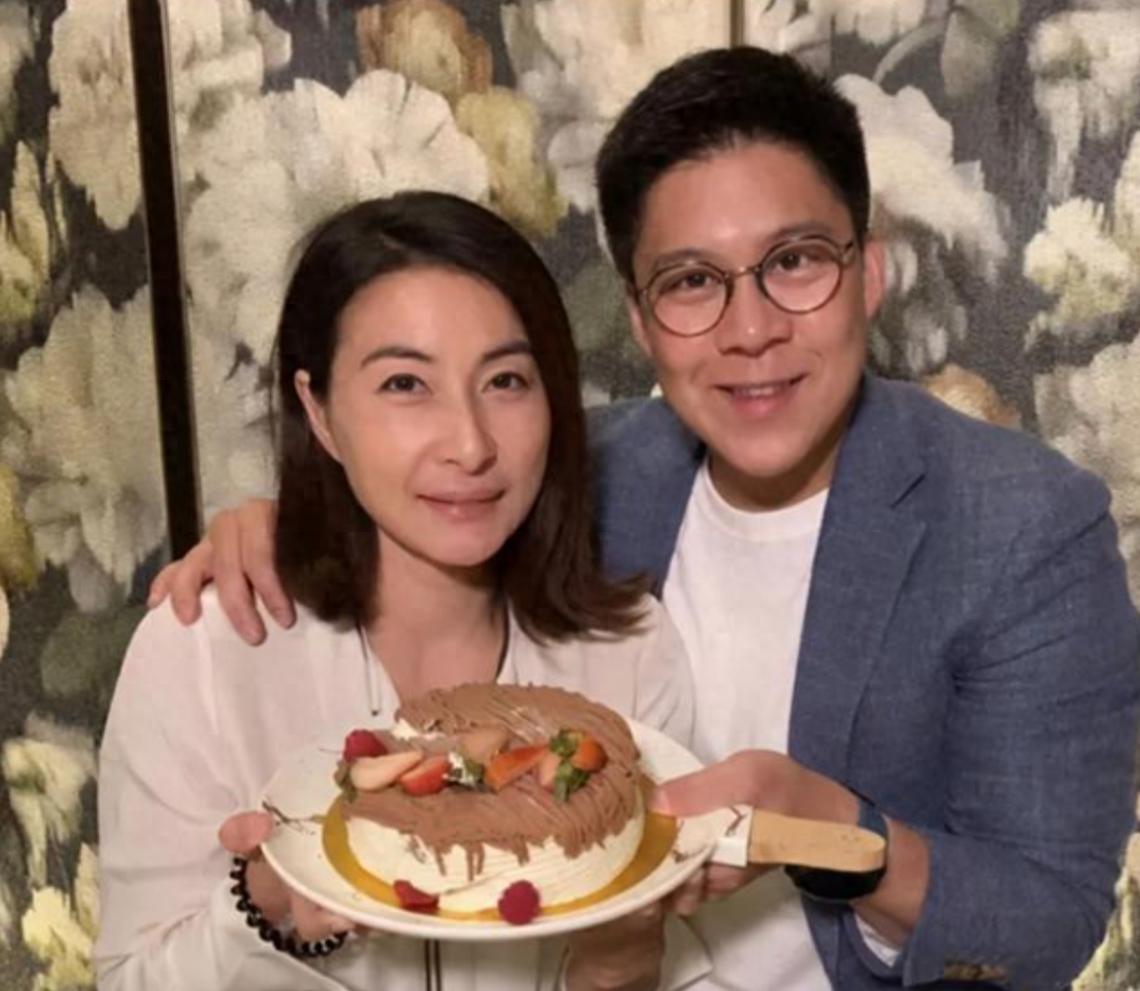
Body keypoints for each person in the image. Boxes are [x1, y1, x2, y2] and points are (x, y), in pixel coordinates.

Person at [150, 48, 1140, 990]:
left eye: (796, 261)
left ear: (869, 273)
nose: (751, 330)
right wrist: (278, 523)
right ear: (638, 317)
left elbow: (1050, 920)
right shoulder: (585, 469)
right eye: (692, 281)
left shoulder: (1022, 526)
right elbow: (423, 473)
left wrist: (843, 833)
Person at [95, 192, 702, 991]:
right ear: (318, 411)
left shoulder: (630, 651)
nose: (470, 444)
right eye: (405, 384)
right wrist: (266, 901)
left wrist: (619, 962)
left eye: (507, 380)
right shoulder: (207, 649)